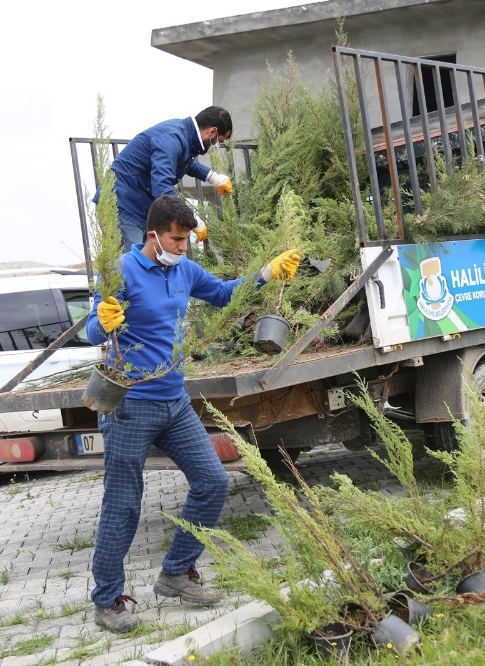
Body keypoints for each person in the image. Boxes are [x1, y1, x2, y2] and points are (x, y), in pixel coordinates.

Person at [86, 194, 301, 634]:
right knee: (123, 505)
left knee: (213, 481)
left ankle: (175, 573)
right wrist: (102, 321)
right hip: (130, 405)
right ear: (154, 235)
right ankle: (107, 600)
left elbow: (223, 295)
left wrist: (266, 274)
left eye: (186, 240)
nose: (184, 247)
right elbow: (92, 328)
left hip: (174, 400)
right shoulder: (124, 271)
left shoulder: (184, 269)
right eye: (177, 239)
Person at [99, 105, 234, 252]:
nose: (217, 146)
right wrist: (191, 218)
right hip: (123, 205)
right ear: (212, 131)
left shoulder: (184, 136)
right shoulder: (172, 138)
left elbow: (186, 163)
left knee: (136, 266)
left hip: (137, 205)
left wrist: (212, 177)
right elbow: (162, 187)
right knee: (126, 268)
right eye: (219, 140)